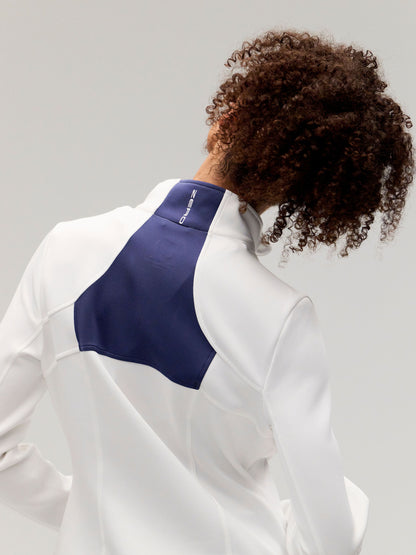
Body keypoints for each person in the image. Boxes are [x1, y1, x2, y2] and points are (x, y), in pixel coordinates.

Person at [0, 29, 413, 555]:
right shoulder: (281, 316)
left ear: (227, 117)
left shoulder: (66, 250)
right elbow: (331, 540)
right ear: (301, 191)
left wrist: (94, 513)